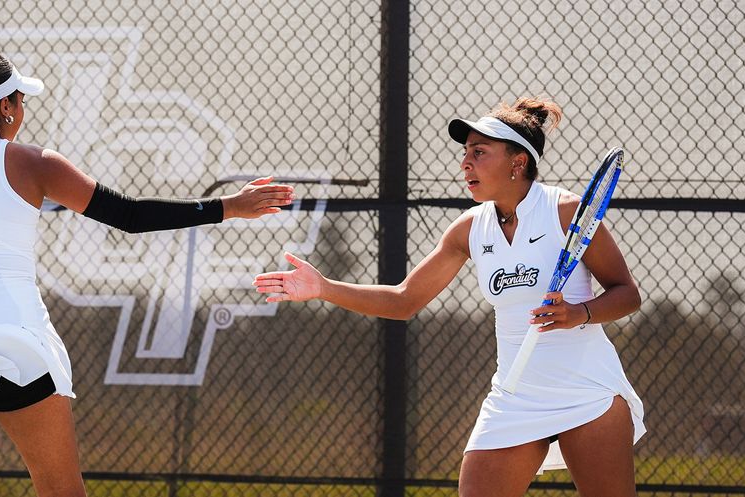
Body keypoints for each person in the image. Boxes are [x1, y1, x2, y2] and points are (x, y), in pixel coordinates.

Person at [0, 50, 294, 497]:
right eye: (21, 101)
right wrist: (229, 207)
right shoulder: (37, 163)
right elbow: (130, 216)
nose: (22, 111)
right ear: (6, 107)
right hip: (19, 339)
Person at [253, 97, 645, 496]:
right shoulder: (469, 229)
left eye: (479, 152)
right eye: (465, 153)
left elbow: (627, 293)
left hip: (585, 390)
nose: (465, 164)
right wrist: (324, 287)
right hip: (515, 396)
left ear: (518, 162)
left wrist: (579, 313)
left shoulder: (566, 212)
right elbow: (404, 299)